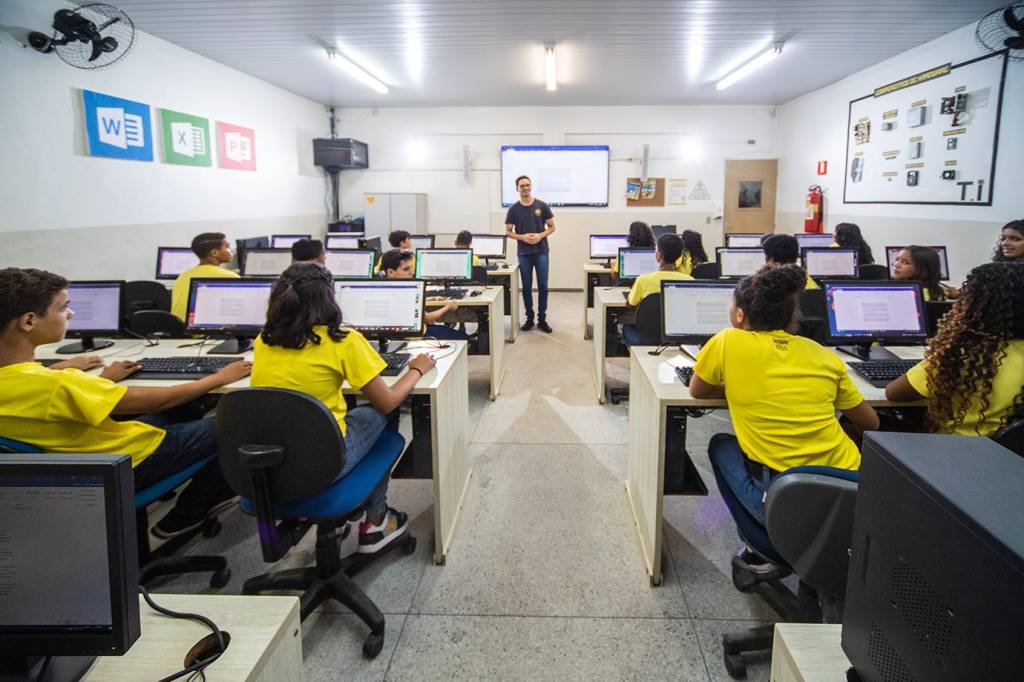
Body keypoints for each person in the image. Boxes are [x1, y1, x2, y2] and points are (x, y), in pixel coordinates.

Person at [0, 268, 251, 538]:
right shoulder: (57, 385)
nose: (70, 315)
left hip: (77, 461)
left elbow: (30, 386)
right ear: (28, 321)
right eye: (63, 308)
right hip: (125, 462)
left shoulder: (34, 380)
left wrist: (77, 372)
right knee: (240, 424)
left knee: (186, 407)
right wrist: (220, 377)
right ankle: (188, 513)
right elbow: (157, 401)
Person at [250, 263, 436, 553]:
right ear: (328, 297)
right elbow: (386, 400)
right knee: (386, 412)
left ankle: (344, 520)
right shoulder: (343, 341)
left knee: (354, 412)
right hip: (323, 461)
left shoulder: (264, 340)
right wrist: (417, 370)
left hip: (269, 465)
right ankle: (376, 518)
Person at [689, 264, 879, 541]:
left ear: (739, 315)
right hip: (849, 489)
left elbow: (698, 390)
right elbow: (870, 422)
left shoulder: (728, 341)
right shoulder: (823, 355)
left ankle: (760, 540)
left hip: (785, 497)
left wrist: (738, 382)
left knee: (720, 445)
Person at [885, 262, 1024, 436]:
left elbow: (894, 393)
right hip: (1007, 455)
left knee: (854, 422)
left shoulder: (965, 354)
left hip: (951, 450)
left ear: (976, 305)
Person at [380, 249, 469, 341]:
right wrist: (448, 307)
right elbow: (428, 318)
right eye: (406, 269)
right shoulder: (405, 292)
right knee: (463, 337)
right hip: (420, 335)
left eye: (411, 268)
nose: (412, 273)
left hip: (404, 335)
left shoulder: (387, 289)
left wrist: (431, 299)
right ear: (391, 272)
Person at [505, 175, 556, 333]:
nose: (525, 188)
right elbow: (508, 232)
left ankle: (542, 319)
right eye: (522, 186)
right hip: (524, 253)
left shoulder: (542, 205)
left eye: (527, 185)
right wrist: (522, 237)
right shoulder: (513, 209)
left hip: (541, 252)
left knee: (543, 286)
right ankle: (529, 318)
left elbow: (552, 227)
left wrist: (541, 235)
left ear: (531, 186)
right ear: (517, 189)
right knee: (526, 287)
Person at [171, 232, 239, 320]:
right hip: (204, 331)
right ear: (214, 253)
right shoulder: (230, 277)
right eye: (227, 247)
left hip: (178, 330)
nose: (231, 250)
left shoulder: (182, 276)